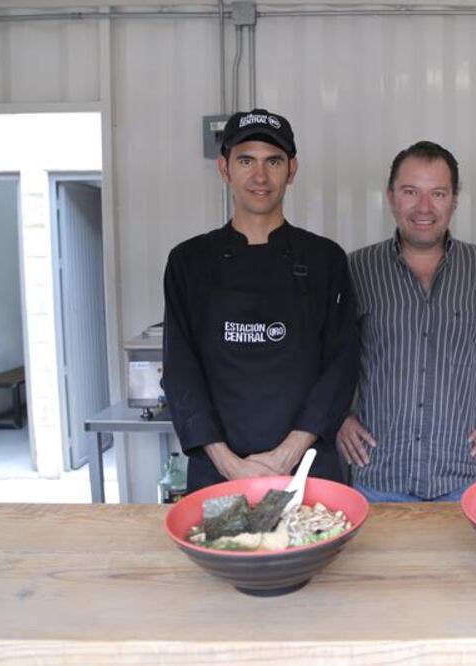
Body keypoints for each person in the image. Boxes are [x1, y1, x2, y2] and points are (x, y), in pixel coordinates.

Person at [163, 108, 358, 493]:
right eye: (246, 160)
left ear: (292, 170)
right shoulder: (189, 262)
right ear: (224, 168)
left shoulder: (324, 259)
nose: (260, 176)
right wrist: (230, 465)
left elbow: (341, 367)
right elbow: (180, 372)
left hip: (305, 469)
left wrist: (285, 456)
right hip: (218, 471)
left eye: (273, 161)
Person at [337, 141, 476, 502]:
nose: (424, 207)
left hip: (459, 478)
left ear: (454, 200)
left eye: (438, 193)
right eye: (410, 192)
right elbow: (321, 352)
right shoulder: (357, 268)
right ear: (391, 197)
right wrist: (339, 416)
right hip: (379, 477)